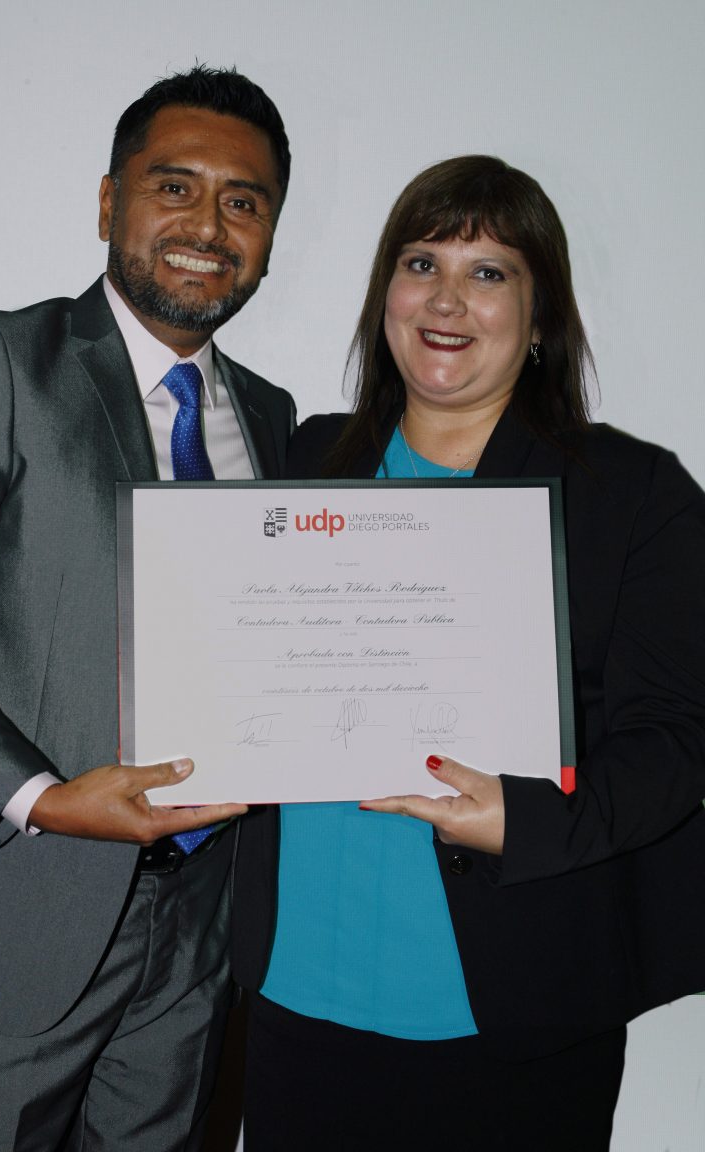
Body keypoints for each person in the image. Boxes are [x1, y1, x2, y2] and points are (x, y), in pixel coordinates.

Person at [232, 155, 705, 1151]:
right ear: (386, 297)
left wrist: (527, 819)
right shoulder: (301, 461)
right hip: (290, 1000)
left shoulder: (634, 495)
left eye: (489, 272)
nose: (447, 299)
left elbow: (676, 745)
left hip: (516, 1022)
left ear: (539, 320)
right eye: (422, 263)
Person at [0, 65, 295, 1151]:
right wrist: (43, 799)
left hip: (198, 937)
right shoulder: (0, 360)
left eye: (243, 201)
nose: (208, 227)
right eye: (174, 187)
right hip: (9, 921)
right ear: (109, 202)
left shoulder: (274, 419)